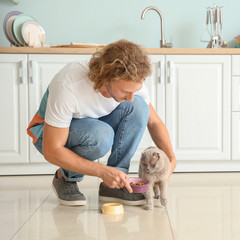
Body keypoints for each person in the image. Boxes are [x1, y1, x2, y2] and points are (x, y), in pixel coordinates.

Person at [27, 39, 177, 206]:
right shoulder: (69, 84)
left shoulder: (132, 84)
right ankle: (66, 178)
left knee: (140, 107)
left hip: (93, 125)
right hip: (46, 135)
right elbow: (51, 149)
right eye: (126, 91)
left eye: (135, 90)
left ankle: (114, 184)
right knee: (101, 135)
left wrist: (171, 159)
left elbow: (154, 122)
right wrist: (102, 171)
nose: (130, 97)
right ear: (106, 78)